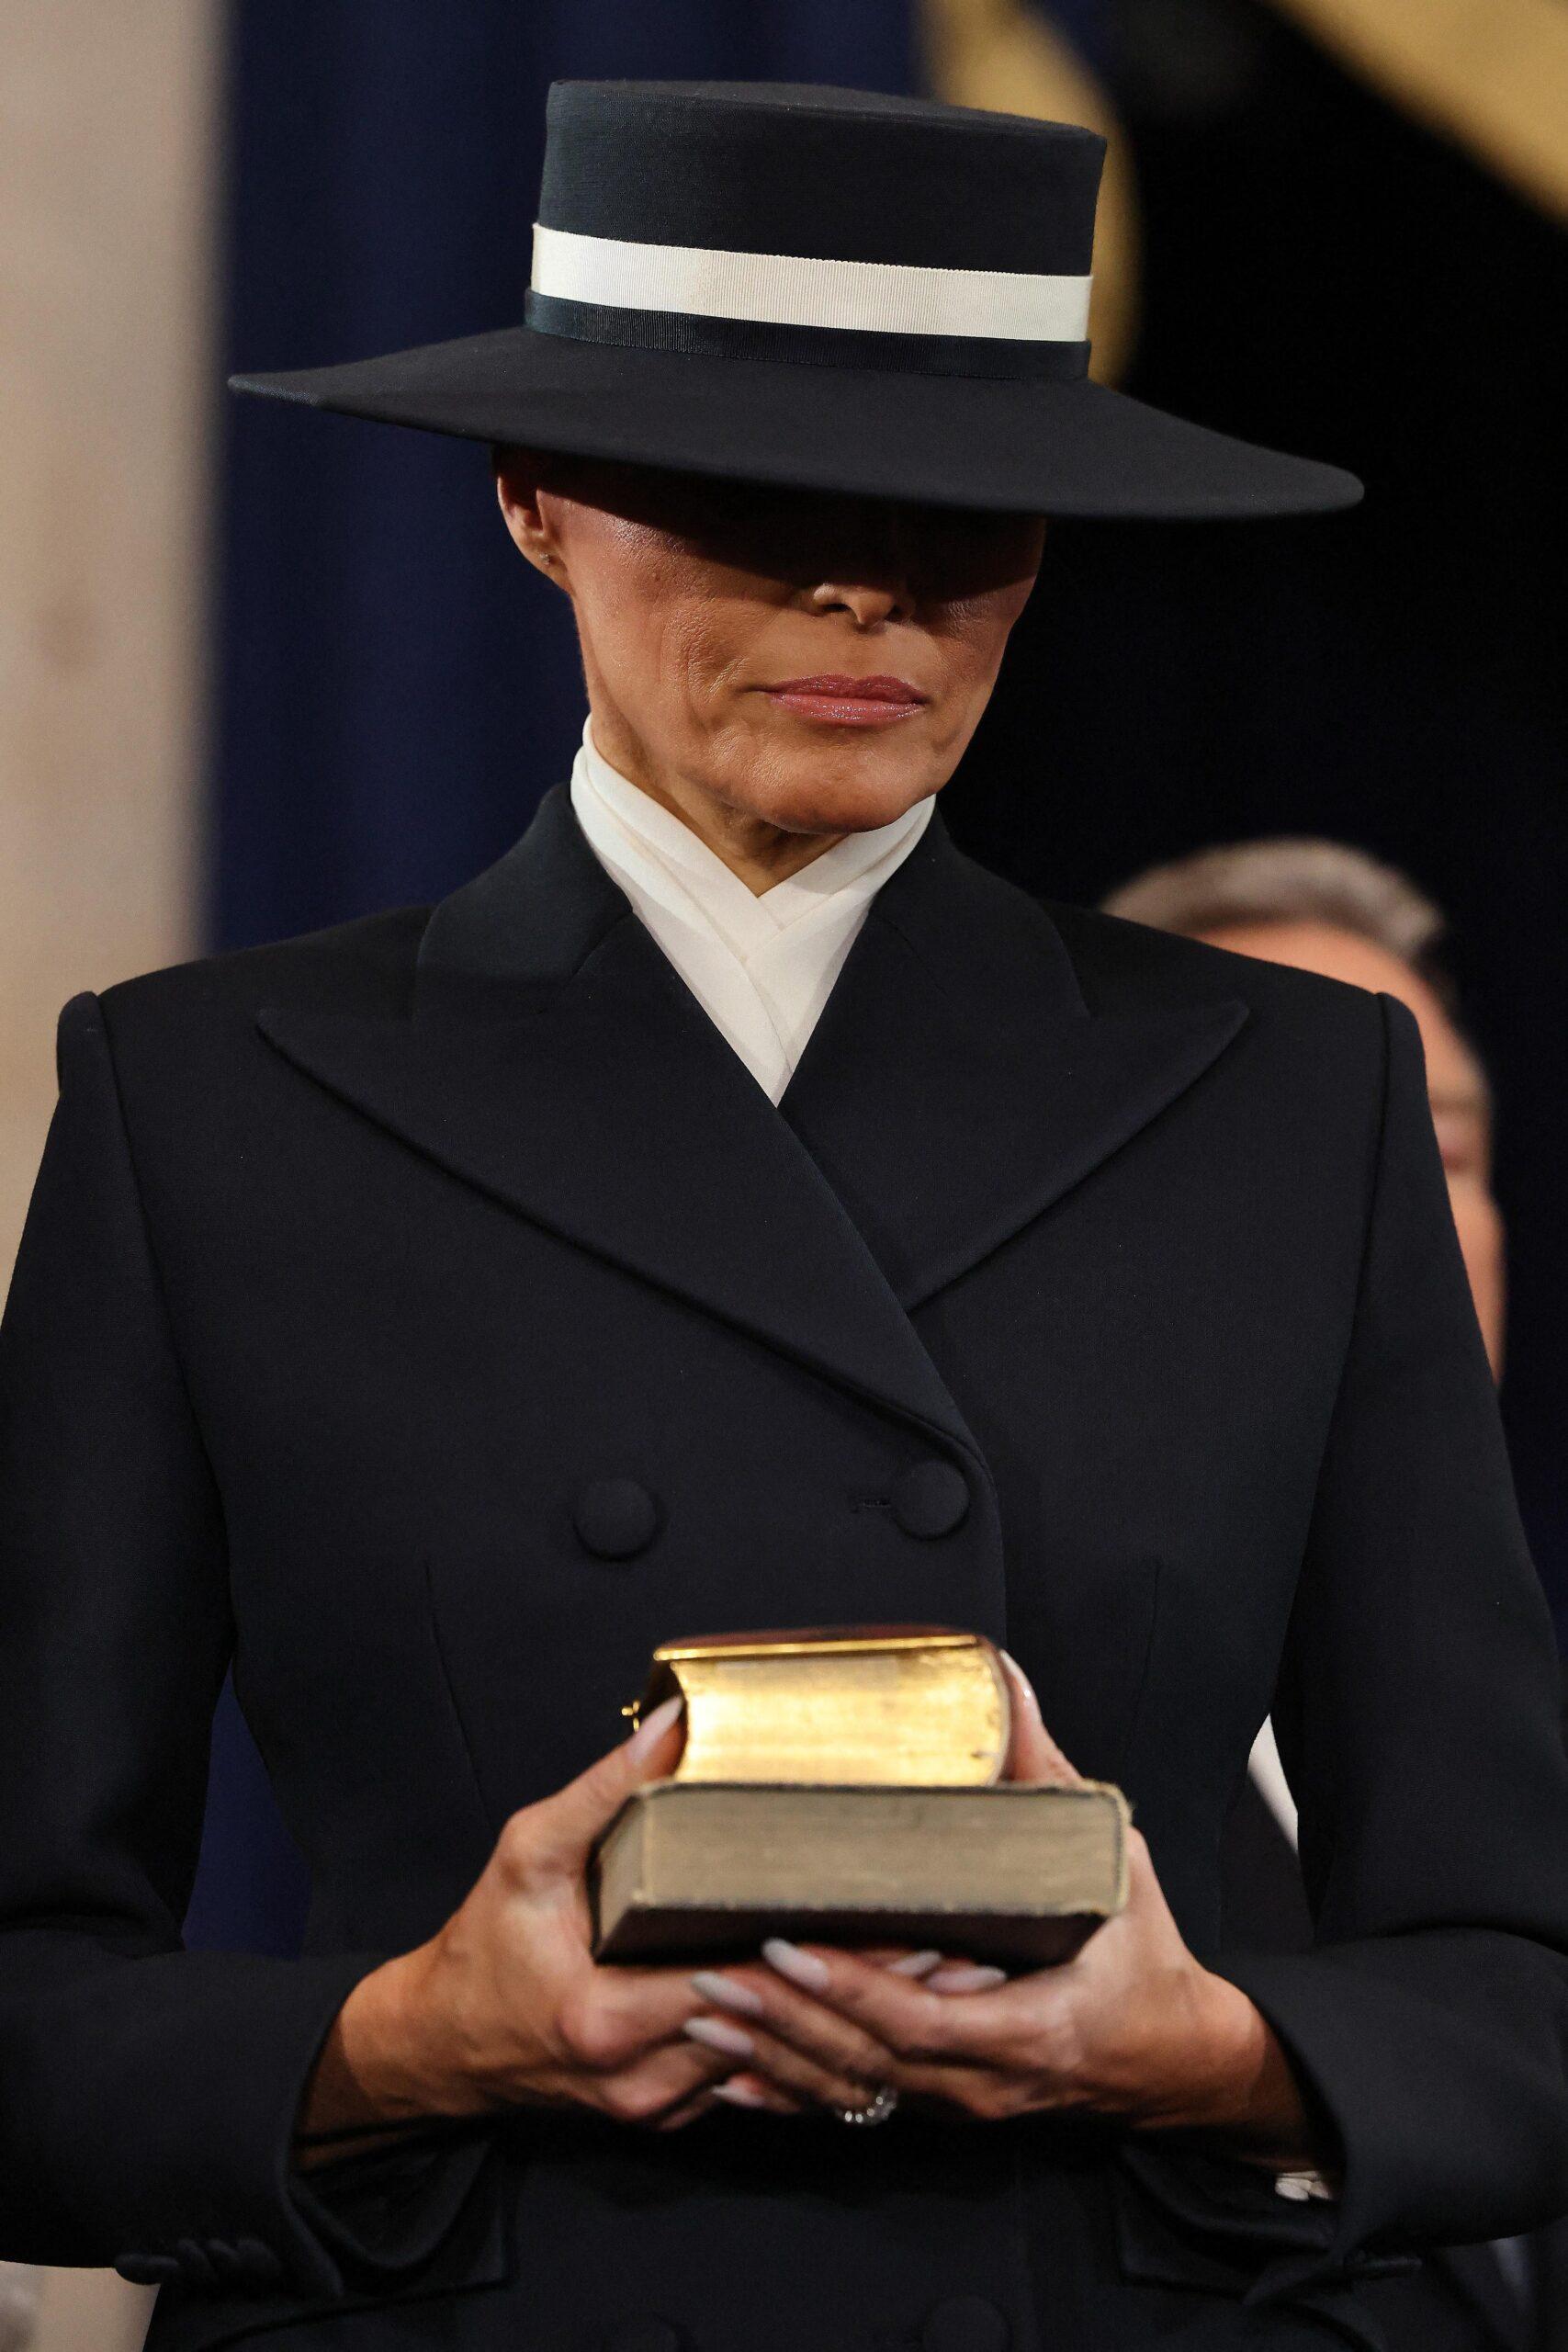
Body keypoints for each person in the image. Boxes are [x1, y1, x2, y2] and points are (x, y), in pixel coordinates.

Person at [2, 77, 1566, 2352]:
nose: (864, 587)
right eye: (750, 496)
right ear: (533, 503)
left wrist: (1200, 2042)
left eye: (960, 512)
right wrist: (412, 2036)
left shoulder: (1281, 1102)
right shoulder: (214, 1102)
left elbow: (1509, 1987)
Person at [1106, 837, 1568, 2351]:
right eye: (1322, 1155)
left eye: (1440, 1154)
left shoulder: (1519, 1762)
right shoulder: (999, 1747)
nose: (1406, 1232)